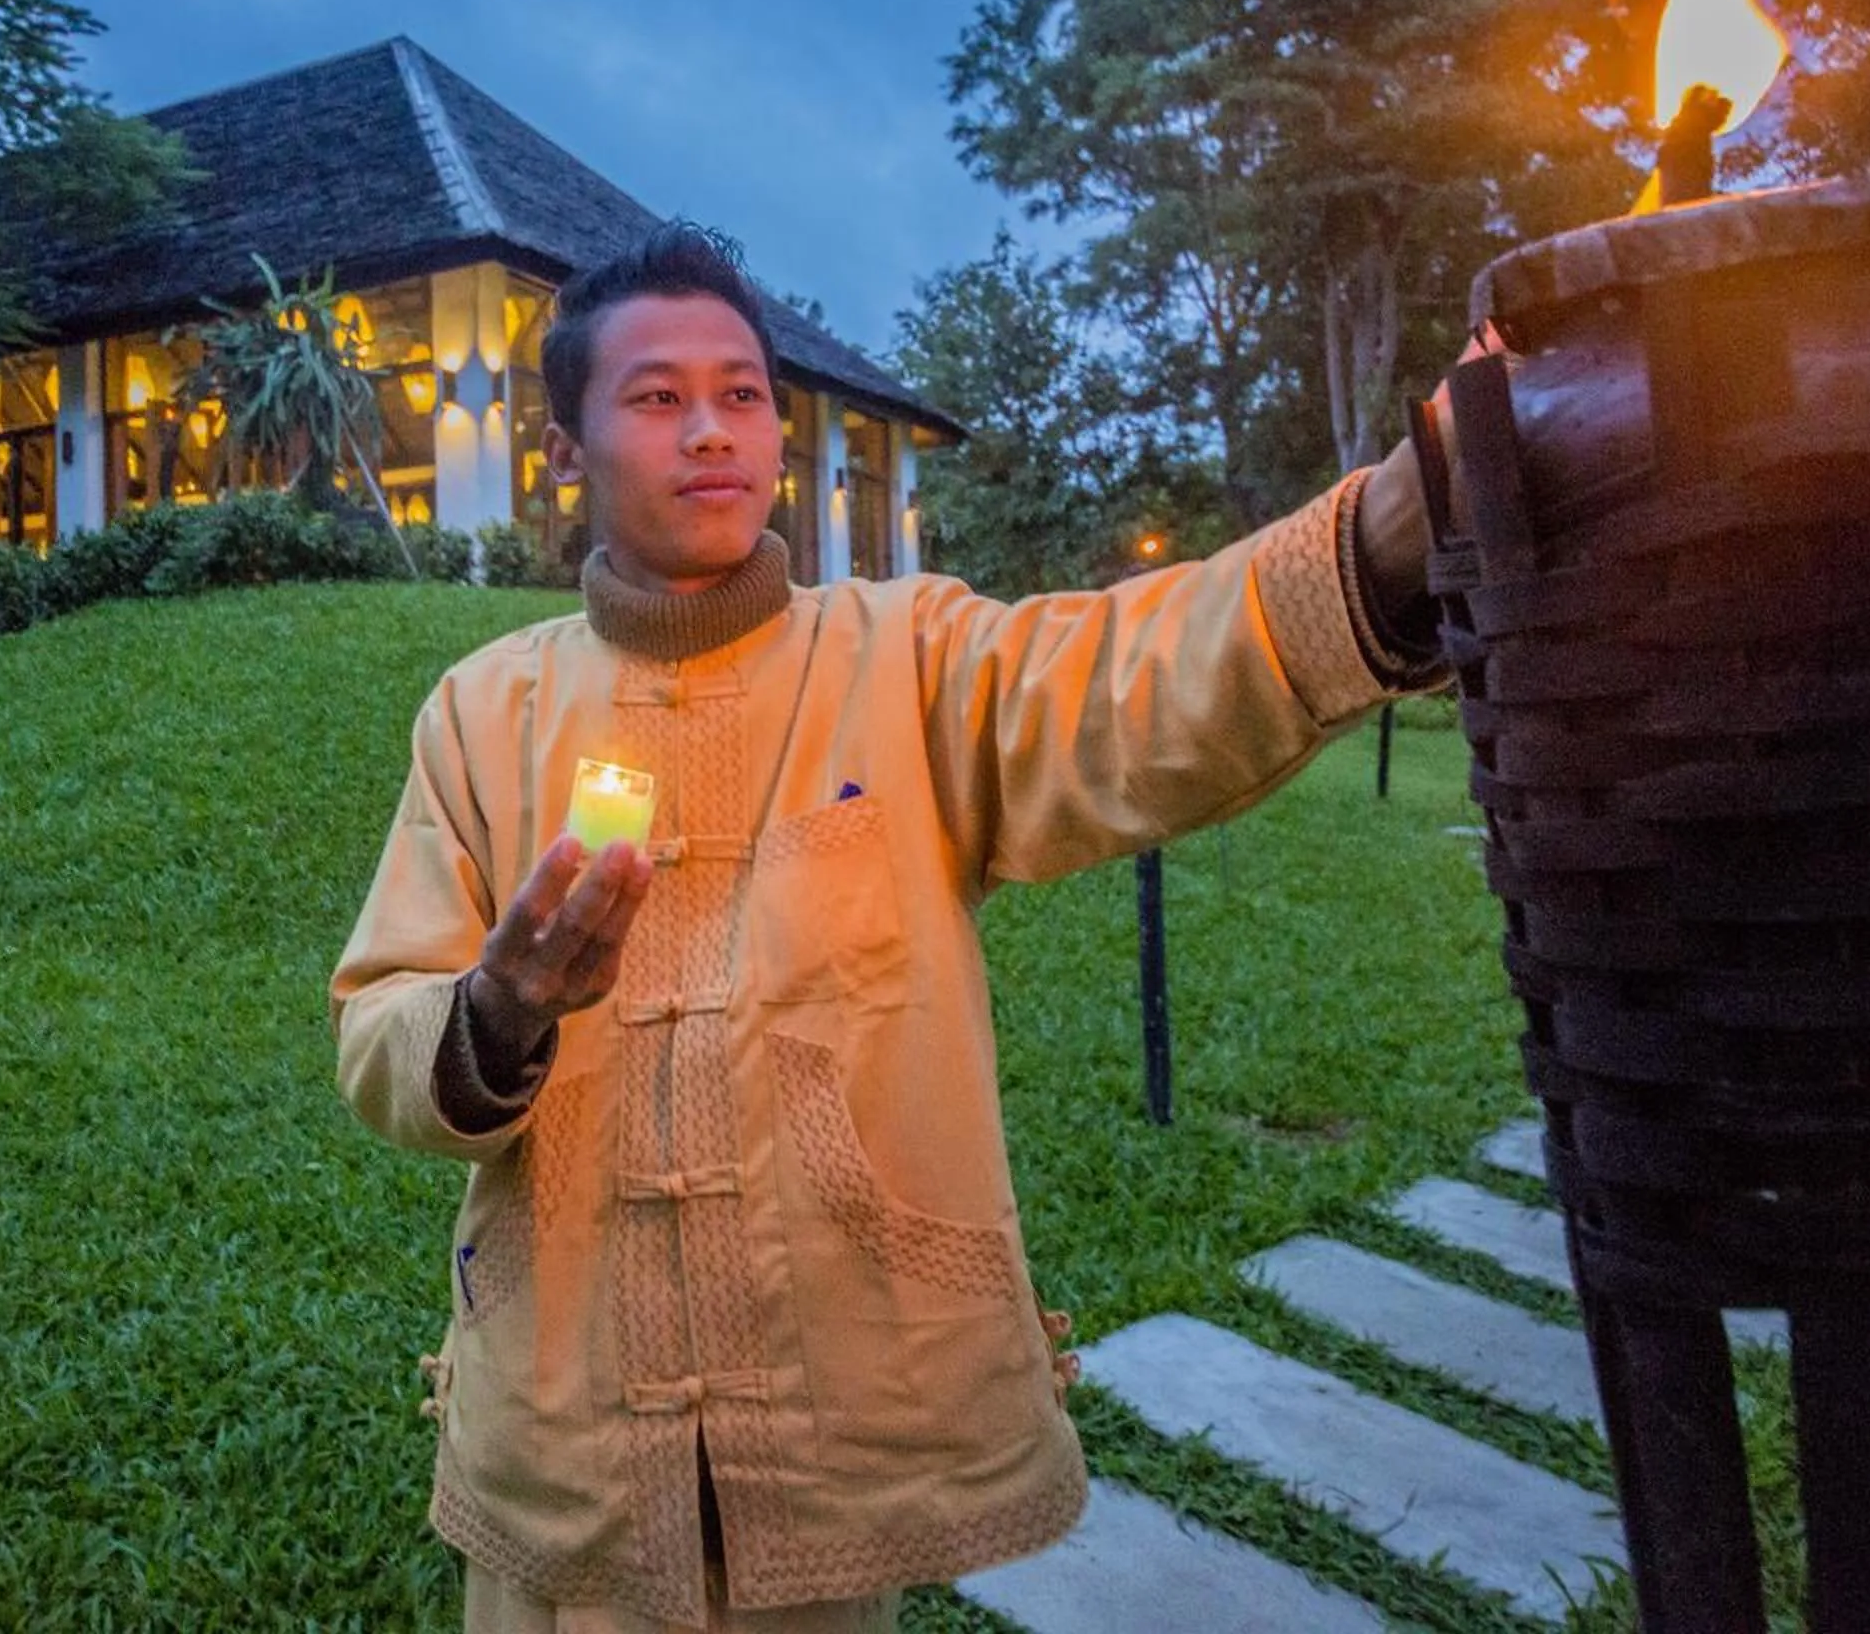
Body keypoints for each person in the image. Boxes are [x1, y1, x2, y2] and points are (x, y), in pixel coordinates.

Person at [330, 222, 1445, 1631]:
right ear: (566, 448)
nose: (713, 432)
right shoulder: (484, 711)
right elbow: (378, 1021)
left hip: (831, 1419)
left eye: (741, 394)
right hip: (564, 1434)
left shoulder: (906, 657)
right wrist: (502, 1008)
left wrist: (1394, 533)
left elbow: (1130, 683)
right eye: (658, 397)